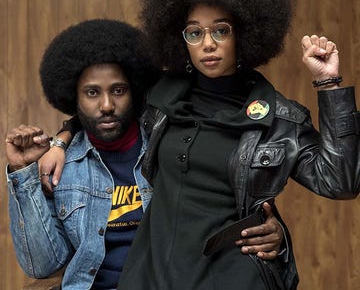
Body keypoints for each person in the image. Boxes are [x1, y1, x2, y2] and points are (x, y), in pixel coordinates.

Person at [113, 0, 359, 290]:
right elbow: (103, 115)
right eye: (195, 32)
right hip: (151, 274)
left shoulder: (279, 120)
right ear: (181, 39)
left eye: (220, 29)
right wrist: (62, 139)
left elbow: (340, 182)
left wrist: (328, 83)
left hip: (231, 277)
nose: (207, 43)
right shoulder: (158, 100)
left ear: (242, 33)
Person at [5, 19, 284, 290]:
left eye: (118, 90)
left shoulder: (170, 147)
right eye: (92, 93)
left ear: (135, 92)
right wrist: (22, 173)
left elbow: (223, 204)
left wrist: (272, 230)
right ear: (73, 99)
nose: (106, 105)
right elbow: (41, 265)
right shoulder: (62, 168)